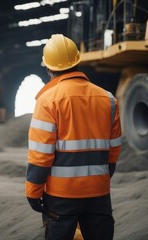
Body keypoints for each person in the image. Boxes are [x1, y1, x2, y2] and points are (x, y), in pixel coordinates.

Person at [25, 34, 122, 240]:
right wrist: (102, 178)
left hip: (62, 196)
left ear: (48, 68)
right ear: (78, 62)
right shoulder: (108, 99)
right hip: (99, 192)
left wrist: (33, 191)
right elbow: (114, 149)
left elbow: (41, 155)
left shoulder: (47, 101)